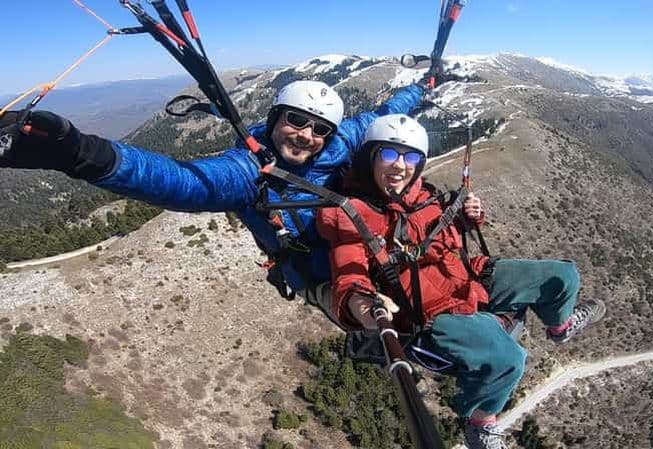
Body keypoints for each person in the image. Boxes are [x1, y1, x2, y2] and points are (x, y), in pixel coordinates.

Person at [0, 80, 425, 321]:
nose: (306, 136)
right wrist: (83, 153)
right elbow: (181, 182)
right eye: (296, 121)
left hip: (360, 251)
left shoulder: (338, 143)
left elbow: (383, 112)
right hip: (319, 276)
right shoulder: (246, 173)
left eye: (318, 129)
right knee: (390, 323)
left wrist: (423, 86)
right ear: (275, 119)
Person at [317, 114, 606, 449]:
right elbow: (349, 272)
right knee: (509, 359)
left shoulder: (426, 196)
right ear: (371, 158)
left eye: (409, 157)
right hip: (429, 314)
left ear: (420, 164)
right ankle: (480, 422)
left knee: (563, 275)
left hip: (467, 278)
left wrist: (471, 218)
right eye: (388, 154)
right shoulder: (352, 214)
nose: (399, 166)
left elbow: (448, 236)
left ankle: (561, 326)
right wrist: (363, 304)